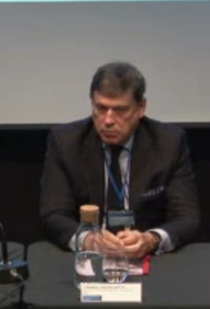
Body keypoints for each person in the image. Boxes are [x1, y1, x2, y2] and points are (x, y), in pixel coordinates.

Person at [40, 61, 201, 258]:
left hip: (147, 259)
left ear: (141, 108)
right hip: (89, 259)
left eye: (120, 110)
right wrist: (89, 240)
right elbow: (54, 215)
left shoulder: (168, 143)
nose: (108, 120)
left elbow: (187, 217)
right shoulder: (66, 143)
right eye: (101, 108)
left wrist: (150, 240)